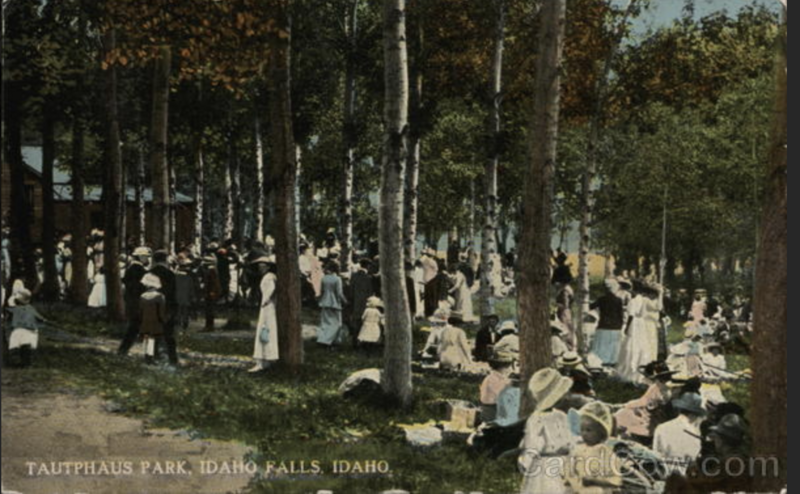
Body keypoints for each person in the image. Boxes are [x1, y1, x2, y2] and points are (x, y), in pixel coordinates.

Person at [518, 368, 576, 494]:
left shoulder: (561, 415)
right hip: (545, 466)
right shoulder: (536, 420)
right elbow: (532, 444)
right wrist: (526, 462)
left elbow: (570, 438)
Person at [564, 402, 623, 494]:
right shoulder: (578, 450)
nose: (584, 434)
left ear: (601, 432)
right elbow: (569, 469)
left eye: (588, 430)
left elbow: (616, 480)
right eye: (582, 429)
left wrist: (595, 481)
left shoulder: (604, 452)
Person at [614, 361, 675, 445]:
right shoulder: (662, 387)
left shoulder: (659, 389)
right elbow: (644, 401)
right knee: (624, 414)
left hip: (654, 423)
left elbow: (643, 402)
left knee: (621, 417)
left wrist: (625, 405)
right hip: (656, 417)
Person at [616, 280, 661, 384]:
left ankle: (631, 369)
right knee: (640, 345)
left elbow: (631, 315)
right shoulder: (643, 299)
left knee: (631, 344)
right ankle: (641, 366)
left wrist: (627, 327)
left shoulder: (634, 300)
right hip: (641, 323)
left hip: (635, 323)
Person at [653, 392, 706, 474]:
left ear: (680, 409)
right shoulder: (694, 434)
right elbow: (693, 460)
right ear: (694, 415)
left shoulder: (661, 427)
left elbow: (655, 454)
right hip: (684, 477)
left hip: (662, 473)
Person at [117, 247, 150, 356]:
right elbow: (138, 287)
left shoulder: (132, 268)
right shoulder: (138, 270)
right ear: (140, 257)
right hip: (137, 303)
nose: (147, 259)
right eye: (146, 257)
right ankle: (125, 350)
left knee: (134, 327)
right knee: (137, 327)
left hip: (133, 302)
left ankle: (124, 350)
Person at [4, 288, 46, 367]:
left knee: (15, 345)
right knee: (25, 346)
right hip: (30, 330)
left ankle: (16, 362)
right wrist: (43, 320)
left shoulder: (14, 309)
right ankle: (25, 362)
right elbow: (40, 318)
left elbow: (8, 315)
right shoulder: (30, 308)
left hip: (20, 330)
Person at [589, 278, 626, 366]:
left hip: (603, 325)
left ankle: (602, 361)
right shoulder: (618, 300)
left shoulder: (601, 299)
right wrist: (620, 325)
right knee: (613, 345)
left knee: (602, 345)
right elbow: (620, 314)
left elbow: (591, 306)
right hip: (615, 326)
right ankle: (612, 361)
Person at [151, 250, 179, 365]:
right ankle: (173, 359)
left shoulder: (149, 273)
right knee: (169, 335)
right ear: (165, 259)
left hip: (152, 305)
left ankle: (151, 356)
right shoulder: (170, 274)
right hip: (167, 306)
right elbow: (173, 293)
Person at [250, 262, 278, 372]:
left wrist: (265, 300)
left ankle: (263, 361)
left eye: (263, 266)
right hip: (268, 306)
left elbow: (271, 289)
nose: (260, 269)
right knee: (265, 331)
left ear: (268, 267)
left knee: (264, 330)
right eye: (259, 267)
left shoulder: (269, 277)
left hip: (267, 306)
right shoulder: (270, 276)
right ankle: (265, 360)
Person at [317, 261, 347, 347]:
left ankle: (322, 339)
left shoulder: (324, 278)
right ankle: (330, 341)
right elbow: (339, 293)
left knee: (325, 322)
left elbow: (322, 291)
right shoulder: (337, 279)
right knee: (337, 323)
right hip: (334, 303)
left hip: (325, 301)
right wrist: (345, 301)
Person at [139, 273, 167, 365]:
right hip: (155, 321)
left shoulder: (142, 296)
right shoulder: (160, 297)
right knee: (153, 338)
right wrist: (163, 320)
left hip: (145, 320)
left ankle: (146, 354)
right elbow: (161, 311)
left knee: (146, 337)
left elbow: (141, 310)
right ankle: (150, 356)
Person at [480, 352, 514, 422]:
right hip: (491, 410)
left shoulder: (499, 378)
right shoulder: (492, 379)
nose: (510, 370)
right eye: (508, 367)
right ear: (502, 367)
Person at [349, 258, 374, 341]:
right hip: (364, 302)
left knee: (355, 320)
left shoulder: (354, 276)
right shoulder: (368, 278)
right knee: (364, 321)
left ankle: (355, 340)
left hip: (355, 301)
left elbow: (351, 289)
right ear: (368, 266)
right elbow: (370, 292)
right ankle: (362, 340)